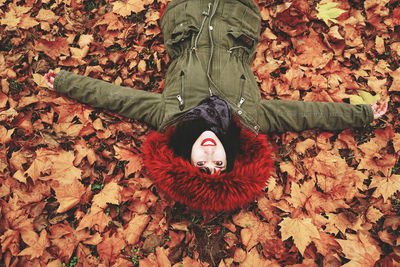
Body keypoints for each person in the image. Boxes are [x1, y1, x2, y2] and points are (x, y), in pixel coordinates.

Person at [44, 0, 388, 211]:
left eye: (201, 164)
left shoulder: (169, 117)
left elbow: (115, 97)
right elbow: (303, 114)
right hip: (238, 16)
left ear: (186, 159)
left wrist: (63, 82)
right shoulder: (250, 119)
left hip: (185, 16)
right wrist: (360, 113)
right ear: (231, 156)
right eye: (218, 163)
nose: (209, 156)